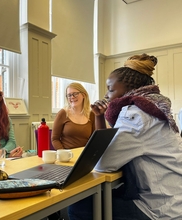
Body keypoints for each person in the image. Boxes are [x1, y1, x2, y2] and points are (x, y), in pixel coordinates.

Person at [68, 54, 182, 220]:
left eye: (111, 90)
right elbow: (110, 151)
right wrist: (99, 116)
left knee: (79, 206)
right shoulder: (154, 107)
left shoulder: (134, 115)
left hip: (161, 210)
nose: (107, 95)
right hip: (174, 198)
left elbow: (103, 165)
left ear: (128, 90)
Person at [51, 82, 95, 149]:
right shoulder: (62, 113)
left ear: (84, 95)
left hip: (85, 155)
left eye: (75, 94)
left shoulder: (92, 114)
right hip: (67, 156)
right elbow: (55, 139)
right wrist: (64, 153)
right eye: (69, 95)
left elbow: (94, 138)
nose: (72, 97)